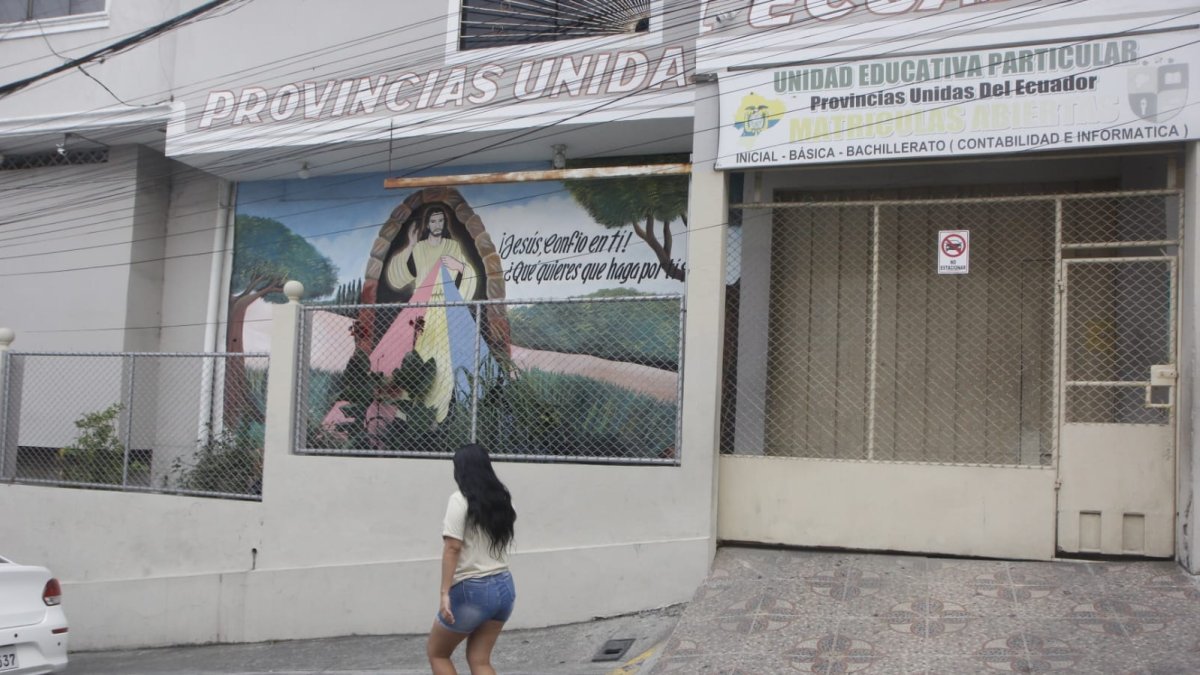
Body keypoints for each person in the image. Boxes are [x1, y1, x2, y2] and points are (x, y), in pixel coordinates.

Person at [427, 444, 517, 675]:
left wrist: (444, 593)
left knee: (438, 653)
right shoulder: (503, 499)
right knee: (480, 660)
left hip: (472, 590)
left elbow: (452, 547)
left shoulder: (460, 499)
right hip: (504, 586)